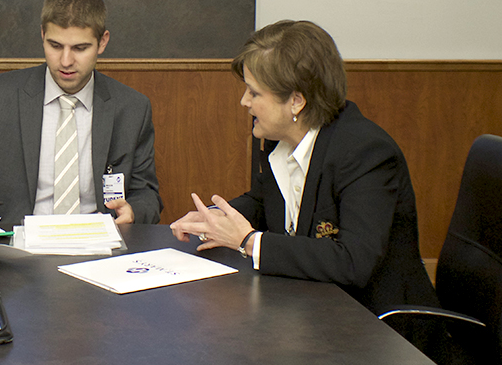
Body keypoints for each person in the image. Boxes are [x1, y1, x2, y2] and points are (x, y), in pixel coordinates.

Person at [170, 20, 439, 316]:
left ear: (296, 101)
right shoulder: (279, 140)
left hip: (375, 325)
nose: (244, 102)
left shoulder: (366, 152)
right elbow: (263, 202)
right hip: (312, 309)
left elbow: (353, 261)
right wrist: (217, 219)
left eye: (254, 93)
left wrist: (248, 241)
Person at [0, 0, 162, 229]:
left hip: (98, 250)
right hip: (15, 249)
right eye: (55, 46)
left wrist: (133, 210)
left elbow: (147, 195)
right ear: (42, 35)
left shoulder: (131, 108)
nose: (66, 61)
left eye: (80, 48)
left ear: (102, 42)